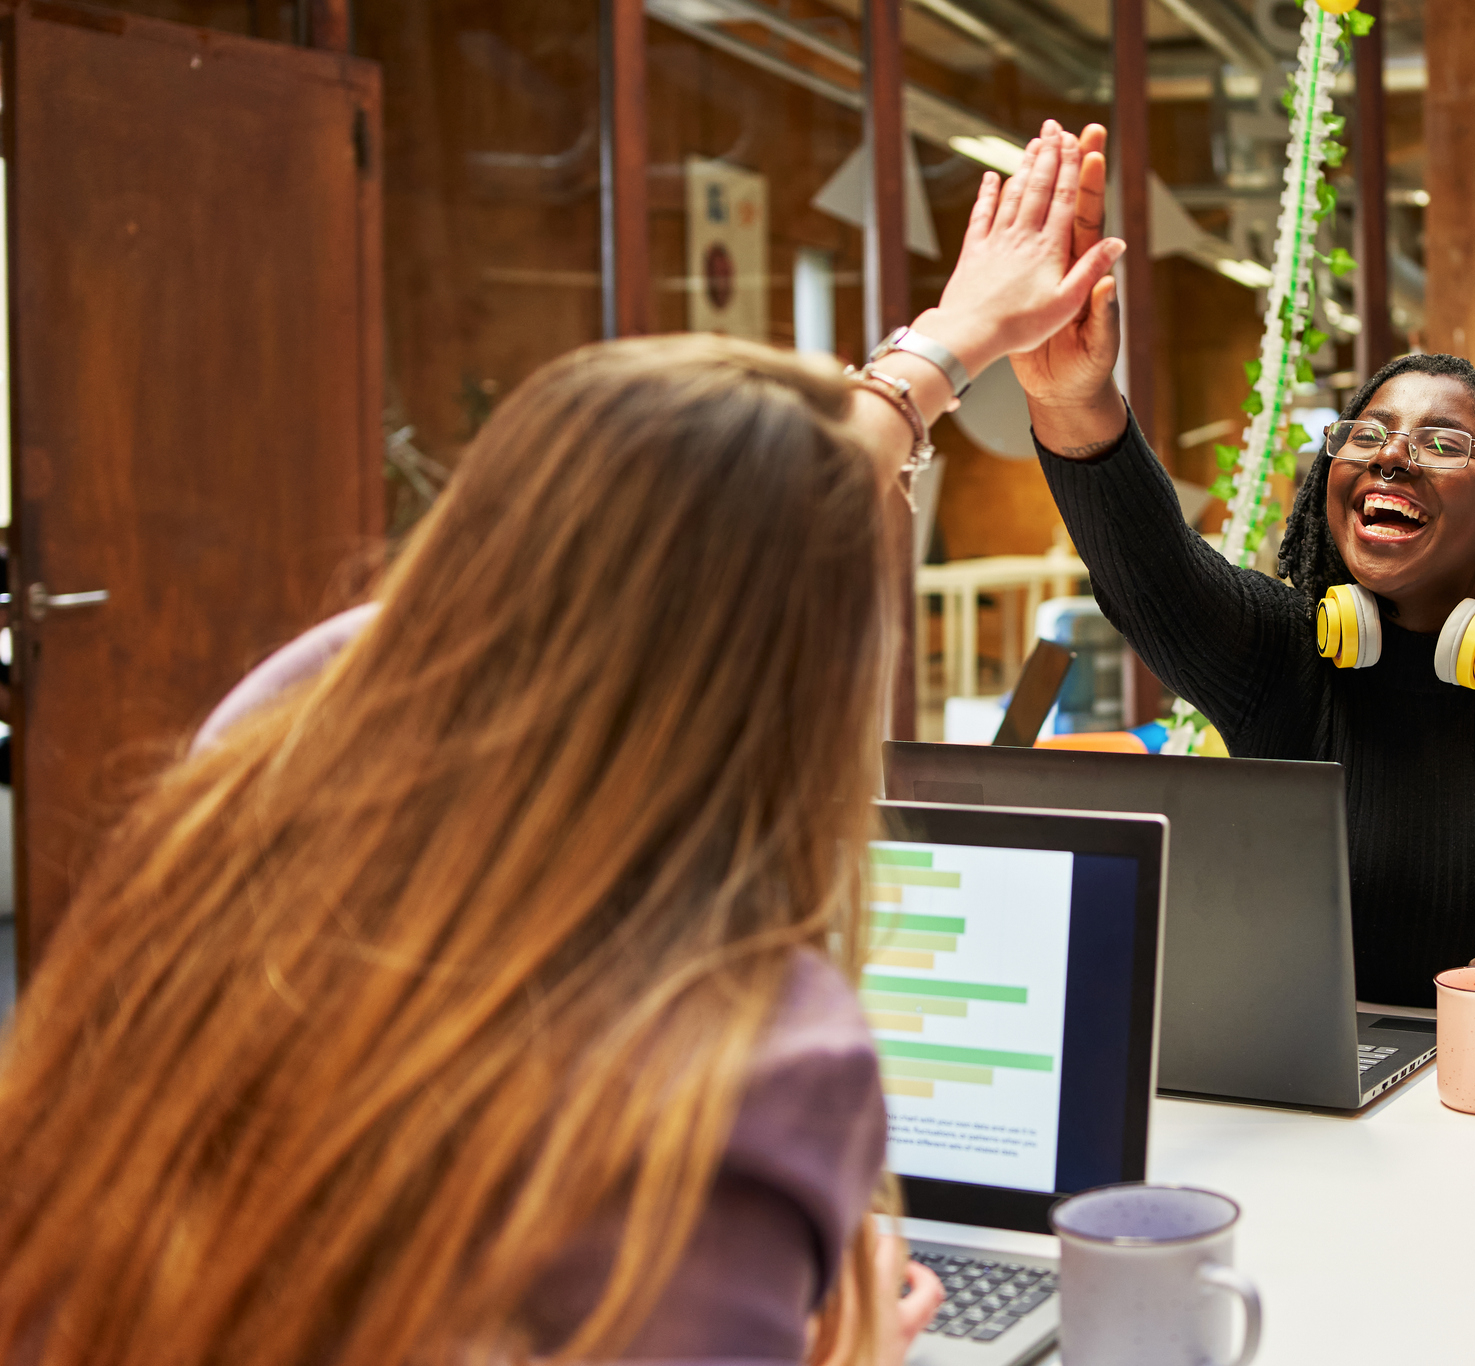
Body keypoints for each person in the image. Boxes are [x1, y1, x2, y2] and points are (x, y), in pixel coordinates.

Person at [0, 128, 1119, 1365]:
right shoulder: (745, 1064)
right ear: (802, 678)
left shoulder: (283, 741)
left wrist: (940, 353)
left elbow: (692, 536)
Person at [1014, 121, 1475, 1018]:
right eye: (1367, 436)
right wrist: (1071, 400)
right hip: (1301, 1081)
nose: (1390, 458)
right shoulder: (1280, 654)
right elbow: (1150, 570)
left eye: (1439, 442)